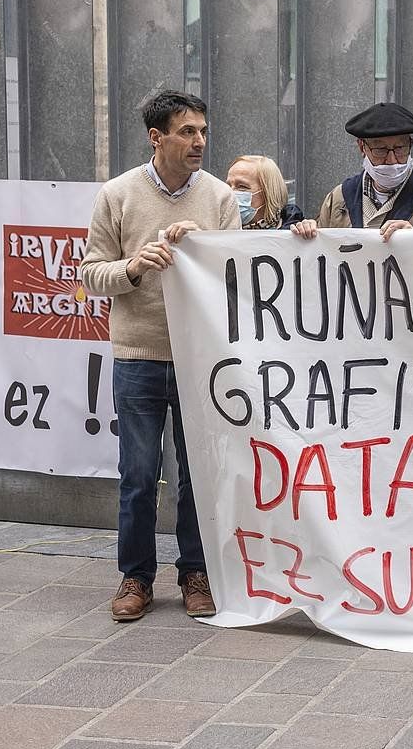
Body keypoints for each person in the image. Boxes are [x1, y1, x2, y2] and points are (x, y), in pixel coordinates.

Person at [80, 89, 239, 622]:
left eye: (202, 131)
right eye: (187, 131)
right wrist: (132, 267)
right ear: (157, 137)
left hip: (201, 359)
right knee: (139, 474)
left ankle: (196, 572)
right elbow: (89, 274)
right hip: (139, 355)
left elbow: (236, 279)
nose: (199, 141)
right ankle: (136, 576)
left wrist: (204, 248)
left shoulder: (219, 199)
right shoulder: (117, 194)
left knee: (198, 476)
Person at [292, 102, 413, 241]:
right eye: (380, 150)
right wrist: (307, 233)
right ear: (362, 147)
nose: (392, 160)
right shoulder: (339, 199)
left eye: (400, 148)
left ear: (411, 144)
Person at [225, 154, 304, 230]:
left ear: (268, 193)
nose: (231, 193)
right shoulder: (218, 229)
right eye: (228, 186)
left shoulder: (296, 232)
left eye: (242, 187)